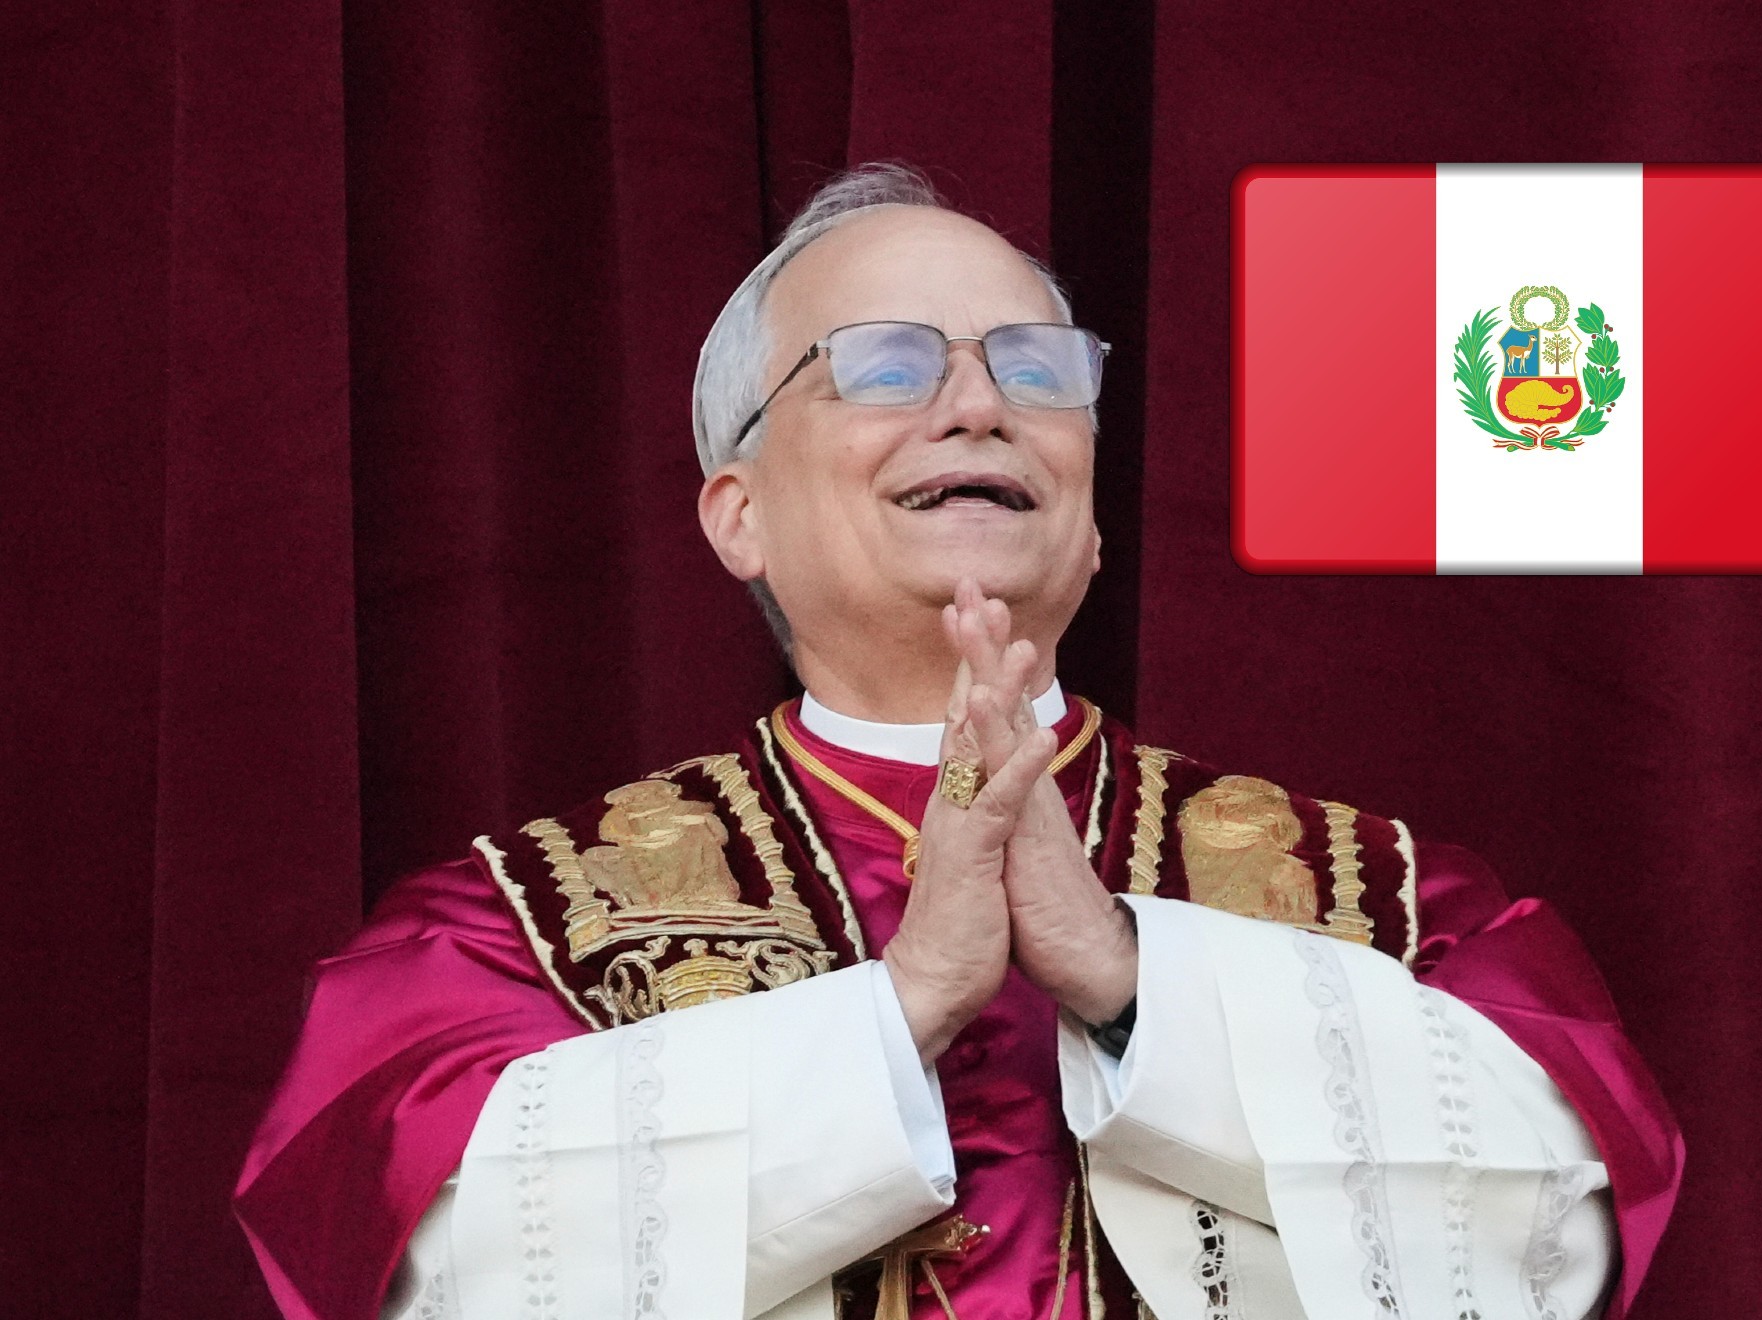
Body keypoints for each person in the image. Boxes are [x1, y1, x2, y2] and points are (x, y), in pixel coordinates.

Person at [236, 163, 1683, 1320]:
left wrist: (1131, 980)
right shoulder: (504, 934)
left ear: (1096, 516)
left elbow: (1568, 1214)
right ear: (737, 513)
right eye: (882, 365)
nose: (982, 403)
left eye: (1038, 366)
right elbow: (430, 1263)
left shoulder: (1399, 899)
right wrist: (904, 1006)